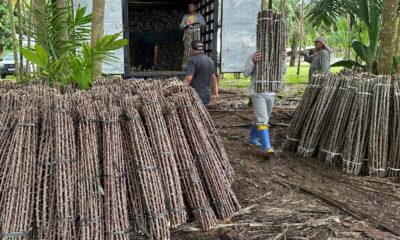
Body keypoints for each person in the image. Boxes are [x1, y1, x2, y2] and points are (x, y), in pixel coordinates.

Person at [244, 50, 287, 156]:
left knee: (263, 117)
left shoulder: (277, 55)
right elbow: (245, 73)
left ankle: (253, 138)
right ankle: (267, 147)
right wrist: (253, 61)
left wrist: (283, 60)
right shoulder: (254, 54)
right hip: (257, 92)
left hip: (271, 92)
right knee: (262, 119)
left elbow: (283, 72)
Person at [184, 40, 218, 107]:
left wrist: (181, 89)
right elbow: (213, 79)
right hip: (206, 95)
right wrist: (214, 94)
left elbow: (189, 78)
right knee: (203, 114)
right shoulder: (210, 60)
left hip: (195, 95)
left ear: (192, 49)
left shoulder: (192, 60)